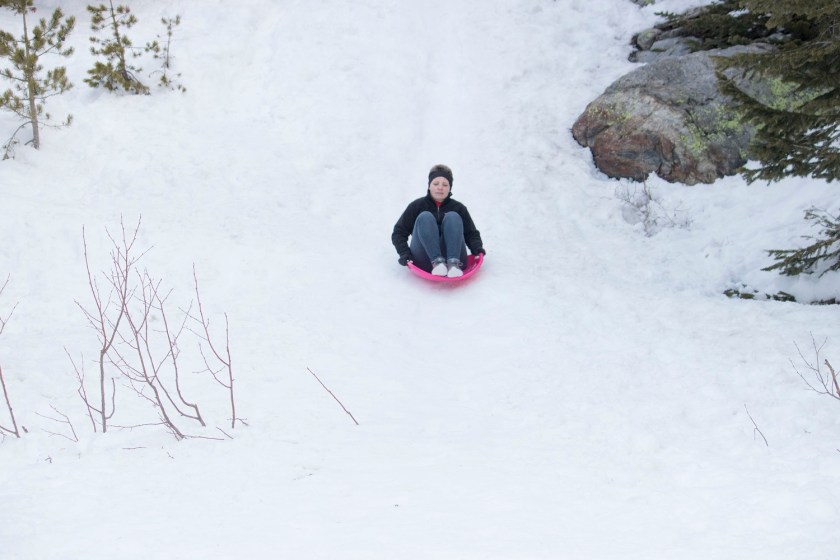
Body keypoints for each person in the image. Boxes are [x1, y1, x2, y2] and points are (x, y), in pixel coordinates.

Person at [392, 164, 485, 277]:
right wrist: (404, 253)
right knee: (425, 216)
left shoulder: (459, 208)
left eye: (445, 184)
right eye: (436, 184)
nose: (440, 187)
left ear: (450, 187)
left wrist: (477, 248)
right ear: (429, 186)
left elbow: (471, 234)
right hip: (425, 260)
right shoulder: (417, 206)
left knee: (453, 216)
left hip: (456, 261)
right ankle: (437, 262)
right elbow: (399, 232)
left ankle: (453, 264)